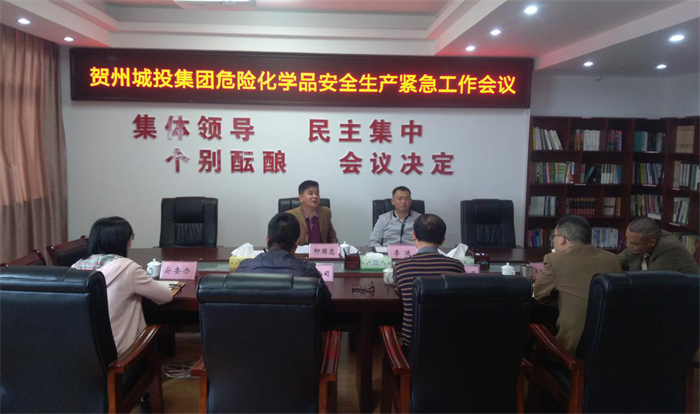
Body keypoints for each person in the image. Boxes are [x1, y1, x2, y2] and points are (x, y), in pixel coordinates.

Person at [72, 217, 173, 356]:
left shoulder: (75, 268)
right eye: (131, 237)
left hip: (83, 350)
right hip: (120, 350)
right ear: (123, 241)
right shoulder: (127, 268)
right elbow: (165, 297)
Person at [534, 215, 621, 354]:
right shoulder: (613, 258)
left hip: (573, 348)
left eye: (553, 237)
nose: (553, 241)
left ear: (562, 239)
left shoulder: (555, 259)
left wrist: (563, 299)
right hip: (611, 344)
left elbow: (539, 295)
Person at [393, 214, 464, 353]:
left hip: (413, 346)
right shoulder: (456, 266)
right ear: (443, 240)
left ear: (414, 236)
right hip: (449, 344)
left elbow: (400, 293)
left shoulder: (401, 266)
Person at [237, 212, 331, 302]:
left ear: (267, 239)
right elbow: (326, 302)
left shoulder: (244, 268)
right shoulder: (308, 272)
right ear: (297, 242)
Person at [618, 217, 699, 274]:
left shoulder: (669, 249)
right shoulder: (642, 241)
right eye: (627, 239)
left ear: (652, 242)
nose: (628, 245)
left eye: (634, 243)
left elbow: (649, 280)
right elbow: (616, 259)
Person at [286, 180, 338, 245]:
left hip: (321, 251)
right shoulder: (290, 215)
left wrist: (336, 248)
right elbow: (286, 241)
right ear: (301, 197)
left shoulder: (325, 212)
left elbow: (332, 238)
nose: (315, 196)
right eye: (310, 193)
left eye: (317, 193)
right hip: (299, 251)